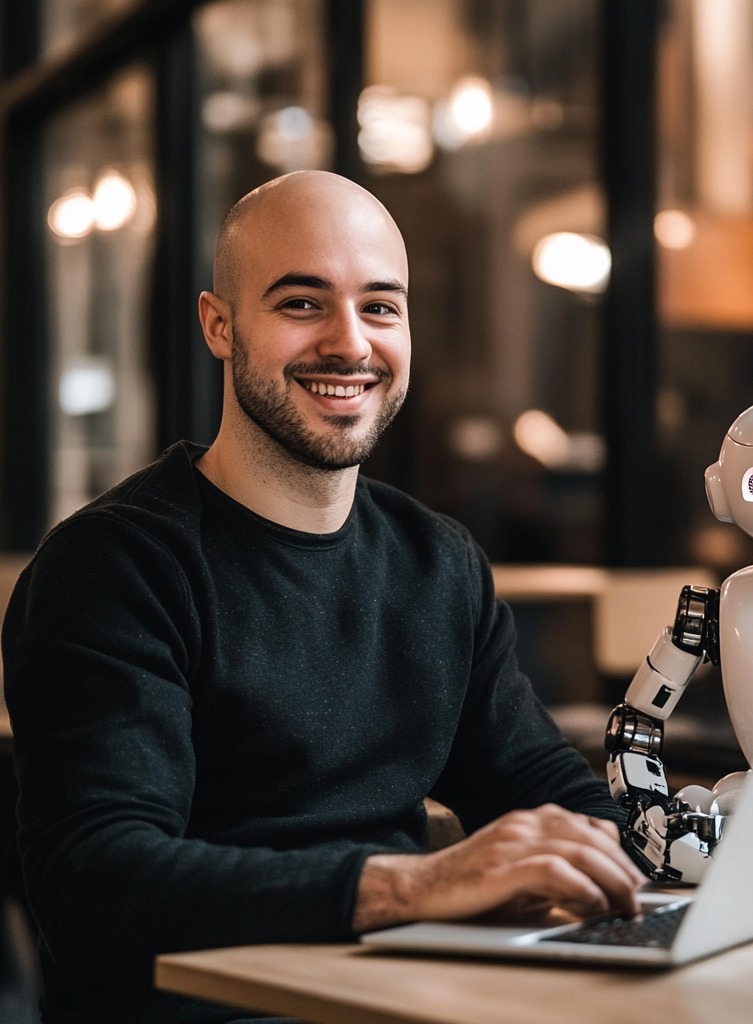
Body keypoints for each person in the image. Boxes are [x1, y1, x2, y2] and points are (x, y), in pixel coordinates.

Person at [3, 172, 643, 1024]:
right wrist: (413, 884)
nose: (351, 344)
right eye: (303, 303)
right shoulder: (112, 567)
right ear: (219, 325)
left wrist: (632, 864)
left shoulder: (437, 562)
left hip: (407, 1001)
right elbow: (96, 881)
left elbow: (536, 781)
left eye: (381, 307)